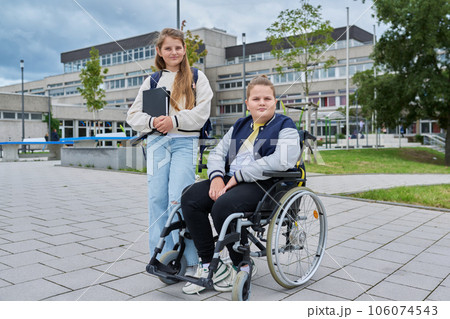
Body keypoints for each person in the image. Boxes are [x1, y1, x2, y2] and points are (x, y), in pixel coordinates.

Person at [180, 75, 300, 294]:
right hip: (229, 179)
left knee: (223, 206)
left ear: (276, 102)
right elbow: (218, 152)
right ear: (248, 104)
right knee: (190, 197)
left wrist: (238, 177)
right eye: (256, 99)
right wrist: (216, 177)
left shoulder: (285, 125)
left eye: (267, 98)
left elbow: (281, 160)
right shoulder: (240, 125)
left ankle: (241, 263)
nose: (262, 102)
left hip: (264, 184)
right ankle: (209, 264)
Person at [126, 28, 213, 271]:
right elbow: (132, 115)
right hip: (157, 143)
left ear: (184, 49)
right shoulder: (152, 80)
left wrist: (173, 121)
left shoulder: (197, 77)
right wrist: (153, 122)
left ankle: (191, 258)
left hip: (184, 143)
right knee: (157, 199)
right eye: (168, 48)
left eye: (178, 47)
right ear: (159, 51)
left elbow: (201, 113)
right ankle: (163, 256)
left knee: (179, 199)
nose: (173, 52)